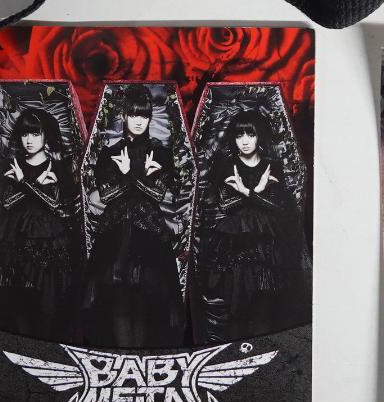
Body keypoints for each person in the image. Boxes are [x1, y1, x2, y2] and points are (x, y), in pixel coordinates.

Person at [193, 109, 311, 344]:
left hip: (267, 248)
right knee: (236, 309)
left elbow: (278, 206)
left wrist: (247, 192)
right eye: (239, 135)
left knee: (265, 311)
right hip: (235, 246)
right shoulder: (226, 164)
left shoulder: (272, 165)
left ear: (259, 136)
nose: (245, 141)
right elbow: (226, 204)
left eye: (250, 134)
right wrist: (258, 192)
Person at [83, 85, 185, 348]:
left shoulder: (160, 152)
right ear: (123, 116)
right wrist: (140, 176)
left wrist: (128, 174)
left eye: (144, 115)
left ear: (150, 118)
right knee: (119, 300)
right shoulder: (110, 152)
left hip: (148, 233)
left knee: (142, 303)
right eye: (133, 114)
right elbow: (106, 195)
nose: (139, 121)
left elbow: (158, 194)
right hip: (116, 232)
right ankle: (123, 359)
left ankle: (138, 362)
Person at [0, 107, 83, 340]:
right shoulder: (12, 164)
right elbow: (7, 202)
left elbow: (55, 204)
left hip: (47, 242)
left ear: (46, 134)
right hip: (14, 241)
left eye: (35, 133)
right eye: (24, 134)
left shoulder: (58, 168)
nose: (29, 140)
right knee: (17, 305)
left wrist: (23, 183)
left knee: (47, 305)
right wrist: (36, 186)